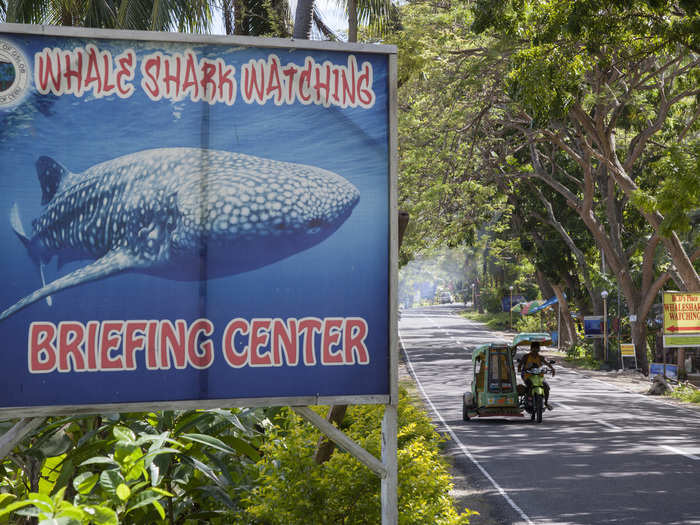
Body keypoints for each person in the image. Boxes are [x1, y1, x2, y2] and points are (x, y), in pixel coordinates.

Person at [517, 342, 555, 409]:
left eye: (537, 349)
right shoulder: (526, 357)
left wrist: (552, 369)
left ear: (539, 349)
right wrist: (520, 369)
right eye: (534, 349)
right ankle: (527, 400)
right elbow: (520, 365)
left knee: (546, 386)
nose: (536, 351)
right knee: (529, 386)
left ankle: (546, 403)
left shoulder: (540, 357)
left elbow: (546, 363)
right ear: (531, 349)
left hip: (539, 376)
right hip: (527, 376)